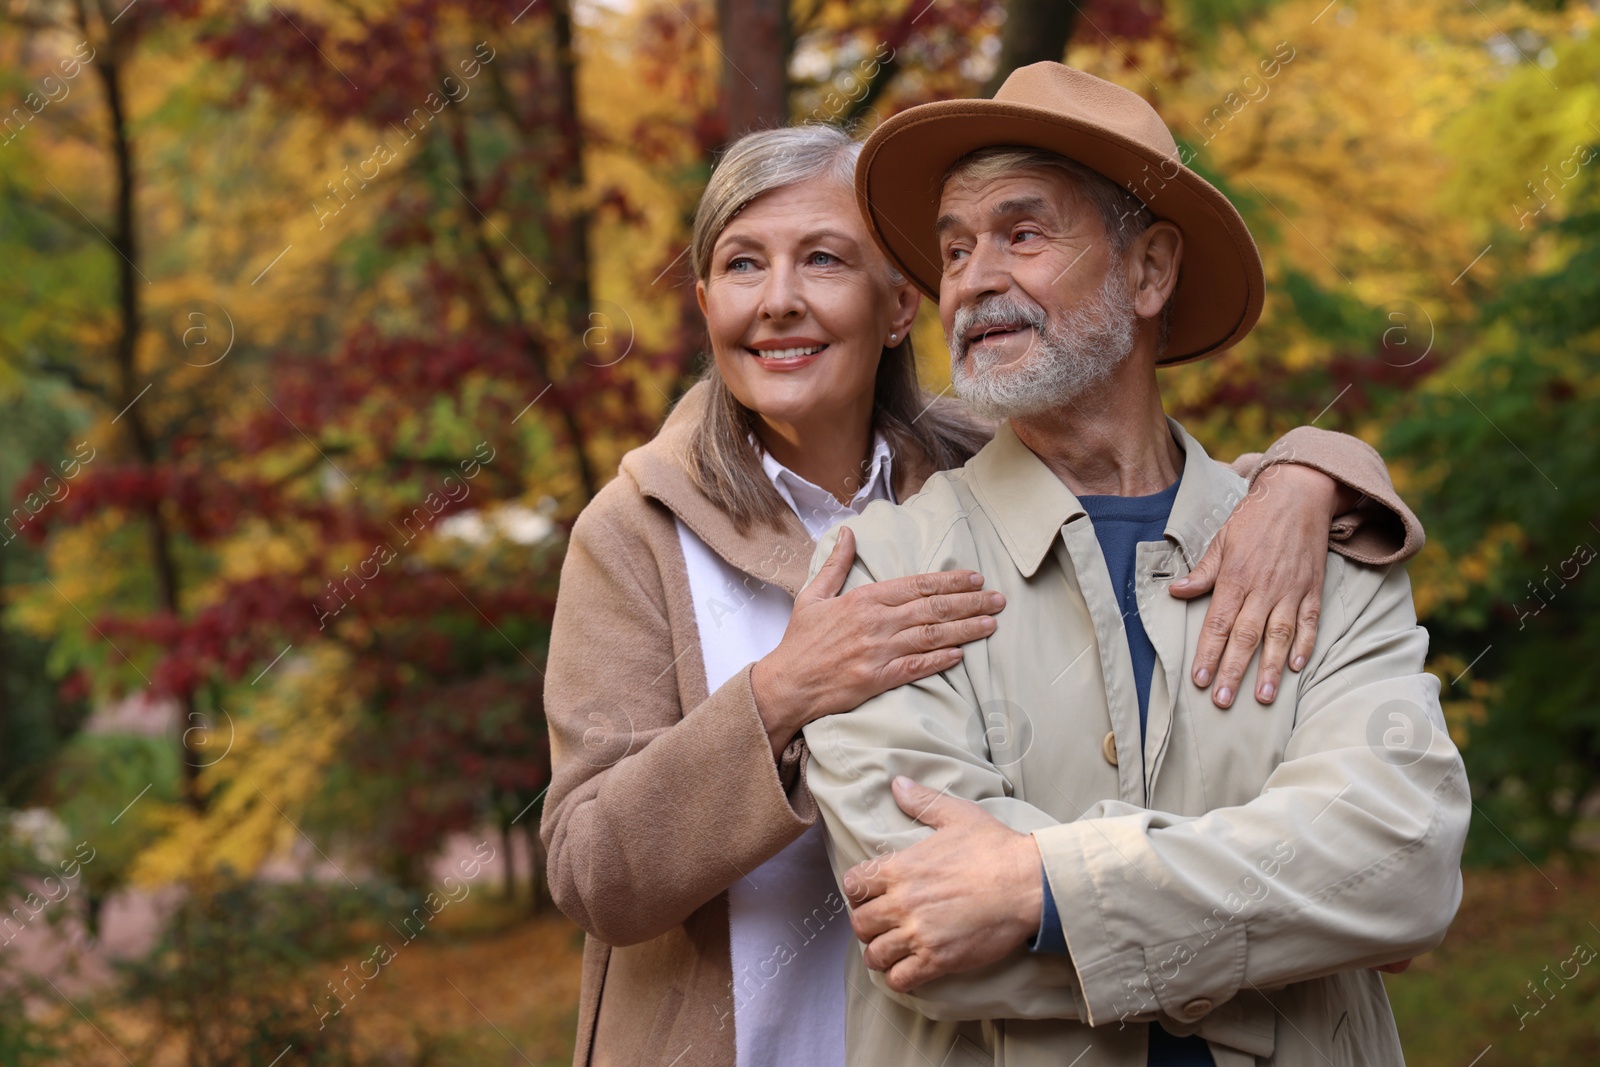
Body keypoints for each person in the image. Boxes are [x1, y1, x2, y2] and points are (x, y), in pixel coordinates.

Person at [540, 121, 1426, 1067]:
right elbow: (592, 866)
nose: (780, 301)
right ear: (707, 300)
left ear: (897, 307)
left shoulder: (973, 459)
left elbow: (1151, 475)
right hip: (758, 1040)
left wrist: (1315, 469)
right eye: (743, 265)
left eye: (825, 259)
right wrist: (778, 695)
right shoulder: (638, 530)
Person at [799, 64, 1469, 1067]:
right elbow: (920, 925)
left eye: (1022, 233)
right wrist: (1281, 931)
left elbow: (1402, 865)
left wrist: (1042, 889)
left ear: (1148, 271)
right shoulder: (875, 575)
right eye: (953, 247)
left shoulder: (1323, 550)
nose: (973, 278)